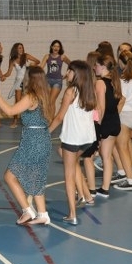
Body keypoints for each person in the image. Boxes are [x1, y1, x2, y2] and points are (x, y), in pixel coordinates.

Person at [0, 67, 54, 226]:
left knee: (10, 176)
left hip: (33, 141)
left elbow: (10, 111)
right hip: (42, 139)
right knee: (36, 177)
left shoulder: (31, 97)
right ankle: (42, 214)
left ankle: (28, 210)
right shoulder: (45, 97)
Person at [48, 60, 97, 226]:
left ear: (76, 74)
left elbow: (59, 117)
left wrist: (46, 132)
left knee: (68, 176)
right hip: (87, 139)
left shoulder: (71, 91)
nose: (66, 73)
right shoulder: (89, 90)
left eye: (69, 71)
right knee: (70, 159)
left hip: (73, 138)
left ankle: (72, 214)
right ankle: (85, 195)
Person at [92, 52, 123, 199]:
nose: (94, 67)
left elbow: (101, 108)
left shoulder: (100, 83)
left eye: (96, 65)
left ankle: (104, 189)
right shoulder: (114, 81)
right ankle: (105, 187)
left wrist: (97, 127)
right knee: (107, 156)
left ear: (103, 67)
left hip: (106, 123)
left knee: (105, 156)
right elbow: (120, 100)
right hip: (114, 121)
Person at [113, 50, 132, 191]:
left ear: (120, 61)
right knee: (115, 143)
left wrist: (113, 115)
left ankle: (131, 181)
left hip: (125, 115)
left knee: (122, 148)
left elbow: (122, 100)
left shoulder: (125, 78)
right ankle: (122, 172)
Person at [2, 42, 40, 128]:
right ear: (16, 49)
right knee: (17, 101)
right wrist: (3, 76)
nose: (21, 49)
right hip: (18, 81)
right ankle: (15, 120)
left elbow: (38, 61)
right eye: (19, 48)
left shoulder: (26, 56)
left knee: (29, 100)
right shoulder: (12, 60)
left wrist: (32, 64)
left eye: (22, 48)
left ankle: (28, 120)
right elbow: (9, 72)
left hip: (27, 81)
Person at [41, 39, 71, 117]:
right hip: (47, 80)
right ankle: (47, 118)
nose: (56, 48)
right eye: (54, 46)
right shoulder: (47, 56)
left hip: (57, 81)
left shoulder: (62, 57)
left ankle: (50, 120)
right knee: (47, 101)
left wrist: (67, 74)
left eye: (58, 46)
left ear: (60, 48)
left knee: (51, 101)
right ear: (52, 47)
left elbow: (71, 64)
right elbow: (41, 67)